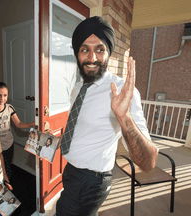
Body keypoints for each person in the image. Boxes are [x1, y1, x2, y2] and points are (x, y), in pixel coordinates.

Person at [56, 16, 158, 216]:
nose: (92, 58)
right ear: (77, 53)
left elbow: (148, 163)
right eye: (85, 49)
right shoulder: (78, 87)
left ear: (108, 53)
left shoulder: (121, 91)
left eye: (100, 49)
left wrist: (124, 118)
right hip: (71, 172)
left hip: (91, 180)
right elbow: (79, 124)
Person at [0, 81, 35, 179]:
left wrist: (32, 124)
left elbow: (18, 124)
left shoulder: (9, 108)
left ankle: (7, 182)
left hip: (9, 143)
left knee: (7, 165)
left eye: (5, 95)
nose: (2, 98)